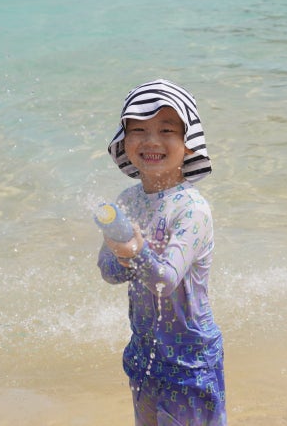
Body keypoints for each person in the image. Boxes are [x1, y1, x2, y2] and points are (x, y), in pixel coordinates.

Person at [97, 79, 226, 426]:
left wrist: (137, 251)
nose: (152, 140)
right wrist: (121, 254)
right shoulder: (128, 201)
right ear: (124, 141)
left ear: (188, 143)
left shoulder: (192, 209)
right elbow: (108, 271)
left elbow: (165, 281)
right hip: (145, 352)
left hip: (189, 358)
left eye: (166, 130)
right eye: (138, 130)